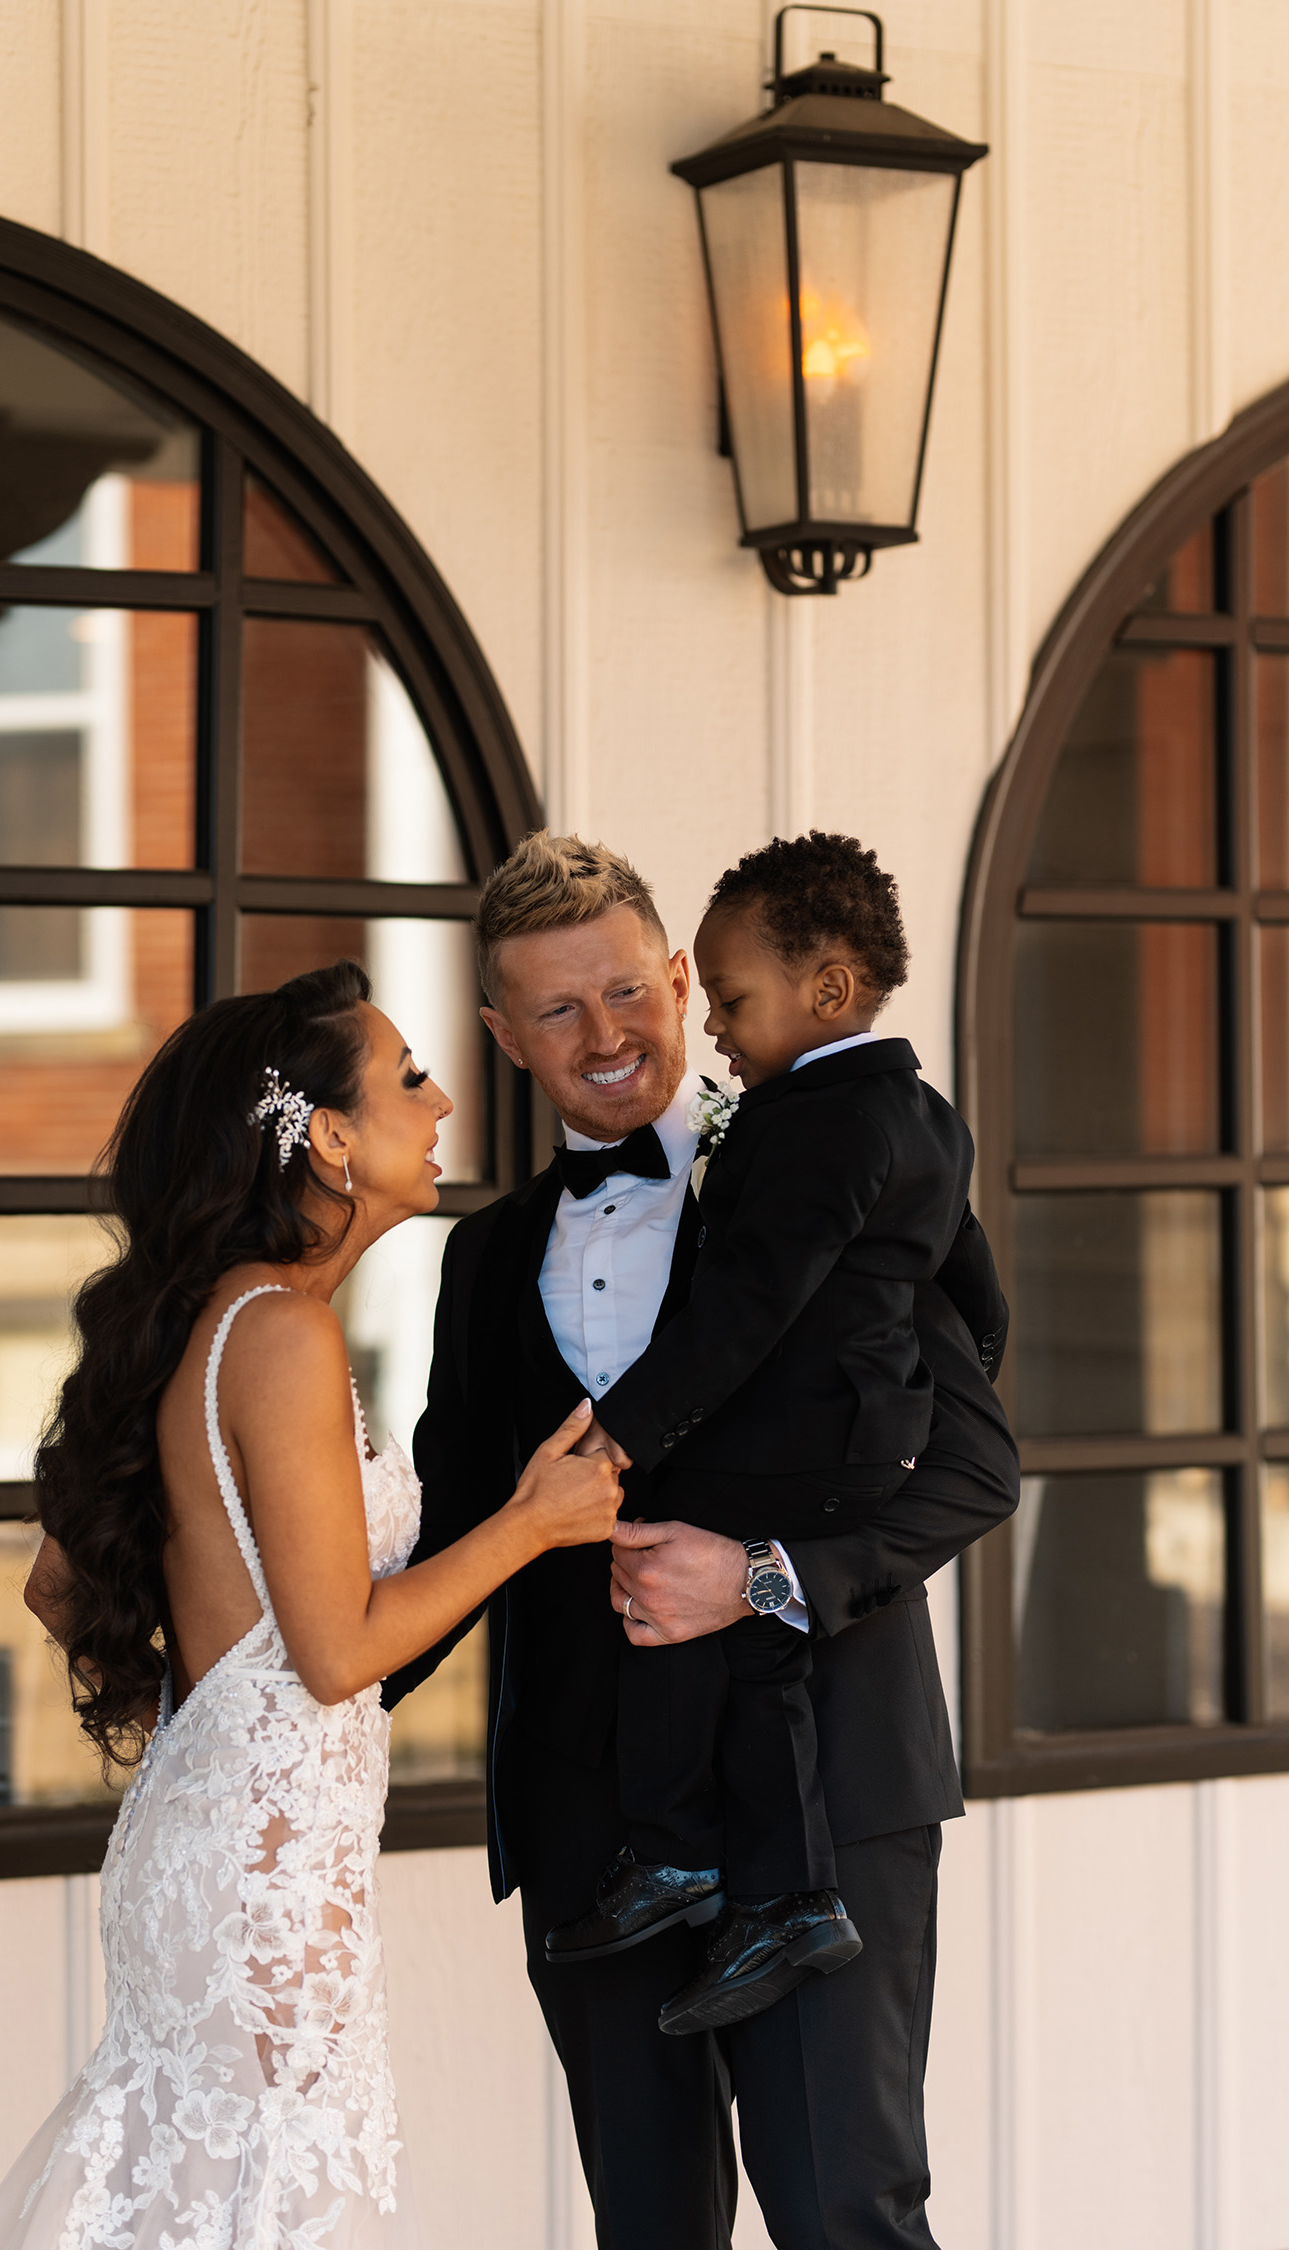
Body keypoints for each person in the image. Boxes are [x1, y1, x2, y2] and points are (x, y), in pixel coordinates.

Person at [384, 834, 1019, 2250]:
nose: (603, 1036)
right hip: (591, 1818)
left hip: (828, 1791)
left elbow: (976, 1464)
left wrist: (767, 1575)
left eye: (628, 991)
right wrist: (273, 1695)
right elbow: (448, 1525)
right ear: (504, 1034)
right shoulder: (484, 1261)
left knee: (844, 2213)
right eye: (557, 1010)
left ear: (683, 981)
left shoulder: (827, 1168)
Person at [0, 960, 622, 2250]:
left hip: (220, 1849)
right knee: (271, 2202)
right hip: (263, 1880)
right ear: (327, 1139)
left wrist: (214, 1736)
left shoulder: (220, 1321)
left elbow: (58, 1587)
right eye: (408, 1081)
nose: (438, 1108)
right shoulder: (280, 1333)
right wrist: (534, 1523)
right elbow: (336, 1653)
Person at [545, 833, 979, 2040]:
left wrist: (622, 1437)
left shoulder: (808, 1128)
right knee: (753, 1656)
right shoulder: (928, 1121)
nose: (721, 1028)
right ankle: (750, 1886)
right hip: (856, 1437)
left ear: (826, 991)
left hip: (800, 1440)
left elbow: (747, 1308)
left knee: (682, 1565)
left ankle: (712, 1867)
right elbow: (977, 1299)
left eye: (728, 999)